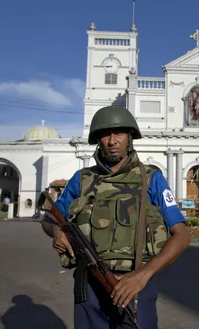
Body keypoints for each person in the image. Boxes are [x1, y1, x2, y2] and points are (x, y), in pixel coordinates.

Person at [40, 106, 190, 329]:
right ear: (97, 140)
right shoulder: (82, 179)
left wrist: (143, 275)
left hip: (136, 284)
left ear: (129, 137)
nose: (112, 140)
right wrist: (56, 231)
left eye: (119, 133)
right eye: (105, 134)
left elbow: (182, 234)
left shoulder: (151, 178)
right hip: (89, 284)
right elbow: (50, 218)